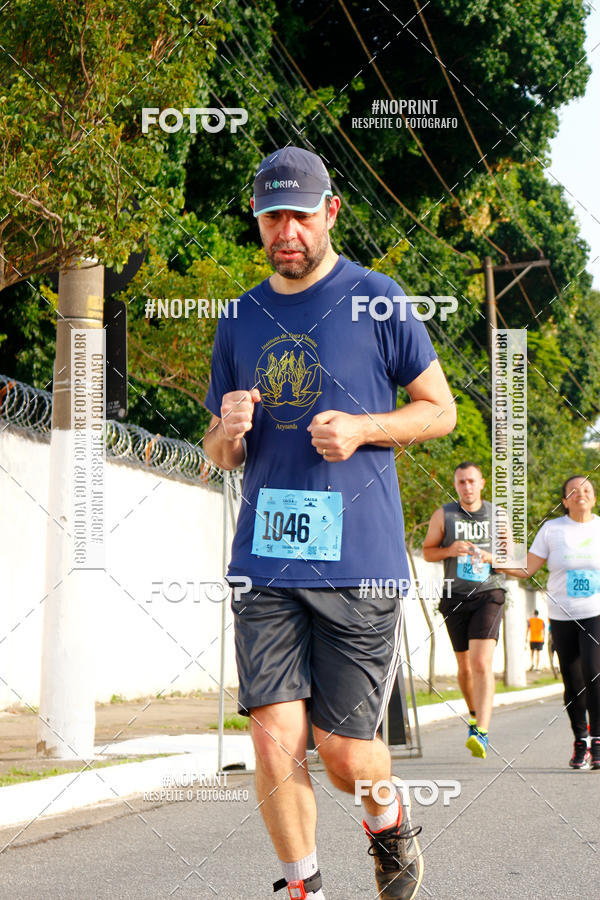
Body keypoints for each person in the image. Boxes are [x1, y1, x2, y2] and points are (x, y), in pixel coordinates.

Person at [202, 146, 456, 899]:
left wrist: (365, 429)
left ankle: (387, 819)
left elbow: (437, 411)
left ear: (331, 213)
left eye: (300, 215)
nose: (286, 230)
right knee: (275, 738)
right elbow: (218, 453)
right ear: (259, 223)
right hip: (267, 562)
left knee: (345, 754)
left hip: (361, 564)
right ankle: (303, 885)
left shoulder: (379, 298)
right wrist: (229, 430)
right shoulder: (238, 317)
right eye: (271, 216)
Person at [498, 475, 600, 770]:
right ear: (564, 501)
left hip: (595, 612)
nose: (581, 493)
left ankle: (599, 742)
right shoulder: (552, 529)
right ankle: (580, 739)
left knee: (594, 672)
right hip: (561, 614)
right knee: (573, 681)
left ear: (594, 498)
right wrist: (495, 559)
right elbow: (527, 568)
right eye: (573, 491)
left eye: (587, 489)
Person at [422, 461, 506, 759]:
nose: (467, 487)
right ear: (455, 485)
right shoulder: (444, 515)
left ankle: (481, 732)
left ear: (482, 483)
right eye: (461, 483)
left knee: (481, 663)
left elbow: (512, 559)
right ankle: (473, 716)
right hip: (454, 596)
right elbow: (428, 551)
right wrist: (449, 550)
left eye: (471, 481)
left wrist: (489, 556)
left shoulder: (497, 516)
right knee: (465, 667)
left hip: (489, 593)